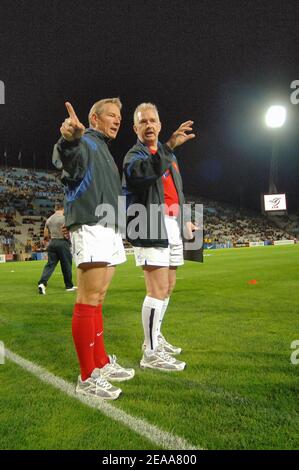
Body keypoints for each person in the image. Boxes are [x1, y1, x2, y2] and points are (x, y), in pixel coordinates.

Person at [56, 98, 134, 401]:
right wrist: (69, 137)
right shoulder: (85, 141)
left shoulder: (102, 147)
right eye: (111, 115)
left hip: (108, 225)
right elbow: (68, 157)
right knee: (88, 298)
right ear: (94, 118)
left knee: (98, 298)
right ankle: (87, 377)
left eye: (119, 117)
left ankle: (100, 363)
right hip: (91, 224)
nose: (117, 120)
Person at [123, 102, 197, 372]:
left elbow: (177, 190)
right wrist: (169, 147)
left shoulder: (170, 157)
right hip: (150, 224)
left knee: (168, 286)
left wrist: (185, 219)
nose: (149, 125)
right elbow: (143, 175)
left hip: (173, 223)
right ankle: (150, 353)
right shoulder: (134, 155)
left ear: (160, 124)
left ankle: (155, 338)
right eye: (143, 122)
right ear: (135, 127)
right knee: (156, 289)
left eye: (153, 120)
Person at [37, 202, 76, 294]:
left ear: (55, 209)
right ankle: (69, 286)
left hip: (52, 242)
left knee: (50, 265)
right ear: (63, 208)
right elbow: (68, 232)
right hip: (62, 242)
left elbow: (46, 234)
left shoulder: (49, 219)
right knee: (66, 265)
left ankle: (42, 283)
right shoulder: (65, 217)